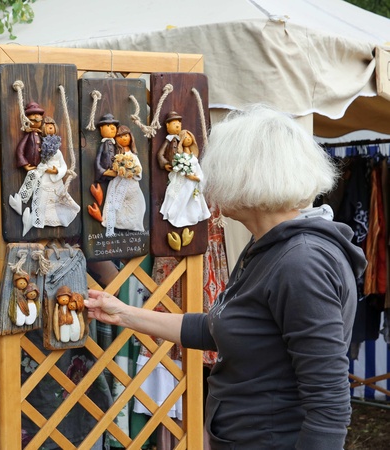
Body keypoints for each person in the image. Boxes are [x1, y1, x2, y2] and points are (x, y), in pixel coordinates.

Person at [85, 104, 367, 449]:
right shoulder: (268, 247)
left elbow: (329, 406)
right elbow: (220, 328)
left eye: (218, 171)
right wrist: (123, 313)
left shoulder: (302, 263)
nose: (210, 183)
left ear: (246, 178)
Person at [0, 139, 111, 449]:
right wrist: (16, 264)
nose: (24, 181)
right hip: (3, 397)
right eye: (10, 172)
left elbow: (114, 285)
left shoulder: (68, 230)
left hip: (70, 394)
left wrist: (82, 236)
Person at [101, 125, 146, 236]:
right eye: (120, 136)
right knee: (115, 203)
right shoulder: (116, 155)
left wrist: (131, 171)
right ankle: (116, 222)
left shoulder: (133, 156)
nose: (124, 138)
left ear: (130, 137)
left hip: (131, 184)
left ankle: (133, 223)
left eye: (126, 135)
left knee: (135, 203)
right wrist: (117, 170)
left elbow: (138, 170)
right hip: (117, 182)